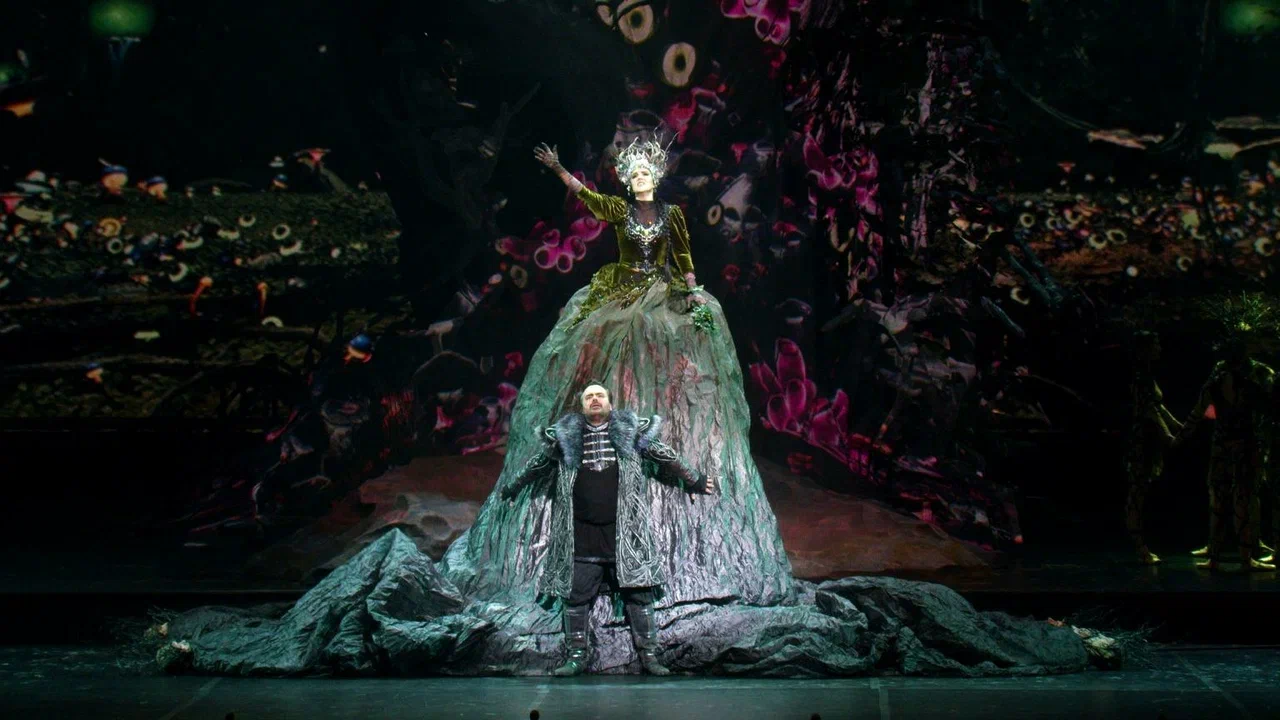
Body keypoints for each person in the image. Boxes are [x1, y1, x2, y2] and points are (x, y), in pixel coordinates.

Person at [500, 382, 716, 676]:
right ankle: (576, 657)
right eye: (589, 396)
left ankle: (650, 657)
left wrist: (694, 480)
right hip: (581, 533)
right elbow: (537, 465)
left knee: (639, 595)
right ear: (582, 406)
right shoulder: (564, 438)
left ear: (610, 404)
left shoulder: (633, 433)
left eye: (599, 395)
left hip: (625, 533)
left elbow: (666, 456)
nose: (594, 399)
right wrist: (513, 487)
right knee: (575, 595)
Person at [1173, 336, 1276, 571]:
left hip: (1225, 444)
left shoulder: (1219, 381)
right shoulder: (1252, 382)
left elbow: (1197, 412)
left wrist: (1178, 439)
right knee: (1241, 499)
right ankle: (1243, 557)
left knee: (1221, 499)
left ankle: (1217, 557)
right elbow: (1268, 409)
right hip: (1244, 445)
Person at [1124, 332, 1182, 565]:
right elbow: (1149, 409)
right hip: (1141, 440)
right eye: (1155, 344)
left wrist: (1176, 425)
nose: (1159, 348)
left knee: (1141, 490)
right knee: (1137, 492)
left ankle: (1140, 543)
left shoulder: (1146, 375)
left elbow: (1158, 406)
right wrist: (1167, 433)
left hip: (1147, 438)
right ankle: (1139, 546)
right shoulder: (1140, 376)